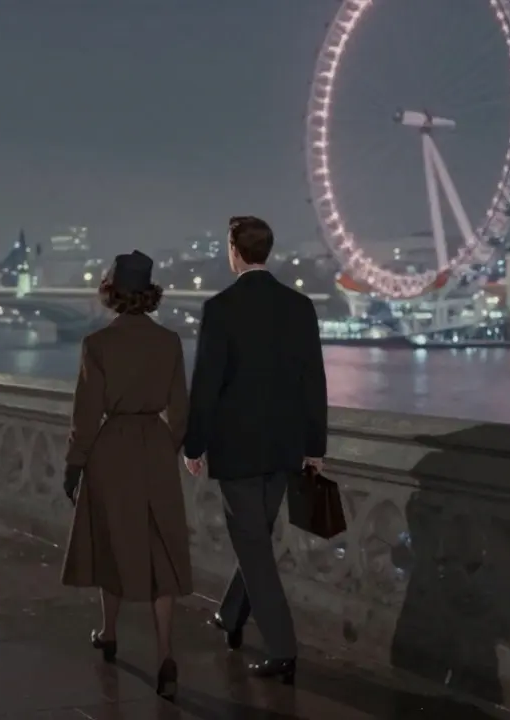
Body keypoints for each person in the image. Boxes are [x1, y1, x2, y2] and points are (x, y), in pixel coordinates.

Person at [182, 215, 328, 684]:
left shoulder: (220, 308)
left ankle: (283, 647)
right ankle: (230, 614)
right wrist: (314, 445)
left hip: (238, 451)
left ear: (234, 251)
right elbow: (314, 382)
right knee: (256, 541)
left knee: (253, 548)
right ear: (267, 250)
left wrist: (194, 444)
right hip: (285, 448)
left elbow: (206, 386)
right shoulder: (300, 306)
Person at [61, 250, 192, 700]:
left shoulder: (96, 346)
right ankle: (165, 654)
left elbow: (85, 414)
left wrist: (75, 463)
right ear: (150, 294)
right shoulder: (170, 342)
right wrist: (162, 448)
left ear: (111, 293)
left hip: (111, 448)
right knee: (161, 549)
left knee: (111, 541)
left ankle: (109, 631)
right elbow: (180, 411)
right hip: (154, 448)